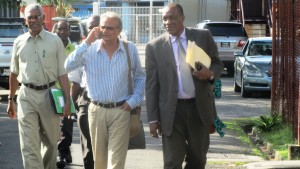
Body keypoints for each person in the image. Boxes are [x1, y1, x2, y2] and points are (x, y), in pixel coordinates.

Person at [145, 3, 223, 169]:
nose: (167, 22)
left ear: (182, 18)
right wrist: (152, 119)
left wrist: (209, 74)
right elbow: (151, 86)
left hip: (199, 108)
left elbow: (217, 64)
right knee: (172, 161)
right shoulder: (154, 47)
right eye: (164, 18)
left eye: (172, 18)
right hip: (171, 112)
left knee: (198, 159)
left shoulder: (203, 36)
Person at [64, 11, 145, 169]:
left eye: (110, 28)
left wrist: (133, 101)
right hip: (96, 110)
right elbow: (68, 66)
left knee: (116, 161)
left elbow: (140, 77)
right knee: (99, 161)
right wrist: (87, 41)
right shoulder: (89, 49)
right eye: (102, 27)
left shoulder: (130, 49)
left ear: (119, 30)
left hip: (121, 110)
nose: (105, 31)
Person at [6, 3, 71, 169]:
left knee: (51, 141)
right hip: (26, 95)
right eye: (30, 17)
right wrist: (10, 99)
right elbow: (14, 72)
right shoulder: (19, 42)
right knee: (28, 144)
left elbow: (62, 74)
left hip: (49, 95)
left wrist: (67, 100)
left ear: (43, 19)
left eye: (36, 17)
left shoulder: (55, 41)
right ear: (25, 20)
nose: (33, 20)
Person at [68, 15, 100, 169]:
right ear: (86, 31)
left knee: (105, 148)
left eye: (98, 26)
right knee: (88, 146)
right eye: (91, 28)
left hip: (111, 106)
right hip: (87, 102)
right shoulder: (81, 50)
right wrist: (70, 105)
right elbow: (75, 82)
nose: (95, 31)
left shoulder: (118, 47)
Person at [54, 20, 76, 169]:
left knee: (66, 125)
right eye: (59, 29)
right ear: (55, 31)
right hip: (50, 92)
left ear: (69, 31)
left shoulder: (74, 49)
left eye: (65, 29)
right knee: (54, 126)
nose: (62, 32)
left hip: (67, 92)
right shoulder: (50, 47)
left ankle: (62, 154)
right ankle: (65, 151)